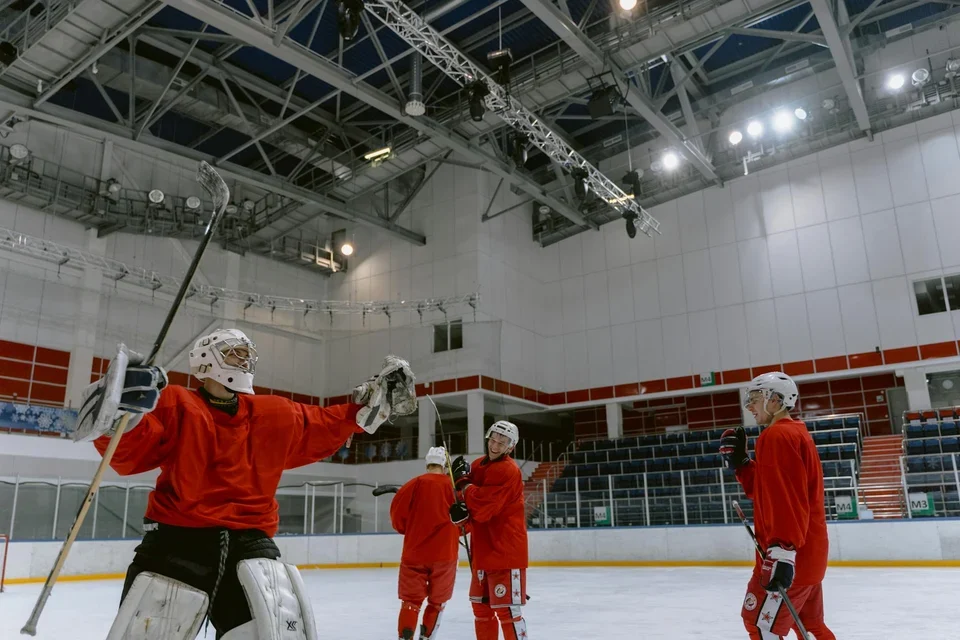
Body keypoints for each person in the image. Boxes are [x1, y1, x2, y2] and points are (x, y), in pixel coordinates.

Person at [71, 328, 416, 640]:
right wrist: (124, 414)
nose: (244, 359)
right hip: (178, 539)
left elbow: (321, 423)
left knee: (274, 633)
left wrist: (369, 404)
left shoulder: (272, 414)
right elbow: (131, 453)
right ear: (206, 361)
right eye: (234, 352)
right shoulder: (178, 404)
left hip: (250, 543)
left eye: (246, 353)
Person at [720, 372, 834, 640]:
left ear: (776, 400)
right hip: (809, 554)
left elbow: (787, 501)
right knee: (810, 627)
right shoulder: (795, 433)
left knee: (759, 623)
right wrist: (743, 465)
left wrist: (783, 552)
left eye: (755, 397)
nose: (749, 405)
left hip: (789, 554)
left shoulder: (776, 436)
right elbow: (772, 490)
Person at [449, 420, 528, 640]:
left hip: (505, 553)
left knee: (507, 612)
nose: (495, 445)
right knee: (481, 610)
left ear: (510, 447)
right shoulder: (477, 466)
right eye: (493, 439)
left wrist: (463, 485)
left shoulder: (508, 470)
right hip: (482, 553)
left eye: (502, 442)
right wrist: (459, 514)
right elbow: (467, 508)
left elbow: (483, 509)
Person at [389, 446, 460, 640]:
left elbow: (397, 518)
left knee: (410, 601)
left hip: (415, 553)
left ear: (428, 463)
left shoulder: (412, 485)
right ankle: (427, 637)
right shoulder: (453, 489)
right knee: (437, 602)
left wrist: (410, 530)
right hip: (445, 555)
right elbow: (464, 521)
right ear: (445, 465)